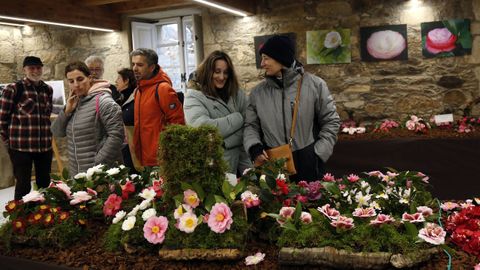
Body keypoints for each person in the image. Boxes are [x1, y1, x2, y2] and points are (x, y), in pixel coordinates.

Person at [244, 35, 341, 182]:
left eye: (266, 58)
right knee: (276, 205)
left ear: (281, 58)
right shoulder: (257, 93)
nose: (262, 63)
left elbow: (331, 121)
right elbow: (250, 126)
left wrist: (318, 154)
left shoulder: (315, 85)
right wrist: (254, 148)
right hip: (273, 166)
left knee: (310, 204)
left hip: (309, 164)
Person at [184, 51, 251, 175]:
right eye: (217, 71)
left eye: (226, 72)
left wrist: (225, 142)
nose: (221, 77)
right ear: (207, 71)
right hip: (212, 168)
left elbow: (250, 125)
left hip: (243, 162)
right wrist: (238, 118)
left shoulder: (237, 93)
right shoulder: (193, 96)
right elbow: (203, 129)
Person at [51, 61, 124, 176]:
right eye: (71, 81)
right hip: (78, 175)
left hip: (101, 174)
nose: (76, 85)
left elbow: (117, 136)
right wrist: (67, 111)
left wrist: (97, 164)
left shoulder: (104, 101)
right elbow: (57, 132)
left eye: (80, 79)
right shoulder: (74, 103)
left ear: (89, 78)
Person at [0, 56, 53, 200]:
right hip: (21, 148)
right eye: (31, 68)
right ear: (24, 70)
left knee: (44, 183)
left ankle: (44, 213)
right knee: (23, 185)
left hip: (44, 147)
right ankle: (21, 218)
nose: (35, 71)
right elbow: (2, 118)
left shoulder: (48, 90)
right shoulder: (13, 89)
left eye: (38, 67)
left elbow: (47, 116)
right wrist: (8, 142)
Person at [130, 48, 185, 167]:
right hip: (144, 158)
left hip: (161, 160)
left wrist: (168, 153)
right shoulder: (139, 90)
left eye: (140, 65)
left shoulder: (163, 89)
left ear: (151, 67)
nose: (134, 68)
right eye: (133, 64)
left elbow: (178, 125)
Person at [115, 68, 139, 173]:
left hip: (133, 147)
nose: (116, 81)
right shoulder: (122, 98)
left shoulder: (134, 98)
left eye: (119, 78)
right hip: (126, 146)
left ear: (126, 80)